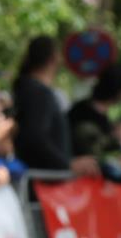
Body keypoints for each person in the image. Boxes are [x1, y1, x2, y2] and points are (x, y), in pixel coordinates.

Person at [12, 36, 99, 176]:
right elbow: (35, 138)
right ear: (53, 58)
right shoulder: (39, 93)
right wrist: (67, 164)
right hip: (43, 184)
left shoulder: (25, 88)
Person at [68, 63, 121, 176]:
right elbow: (107, 163)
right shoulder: (85, 120)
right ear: (120, 92)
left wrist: (119, 139)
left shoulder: (81, 110)